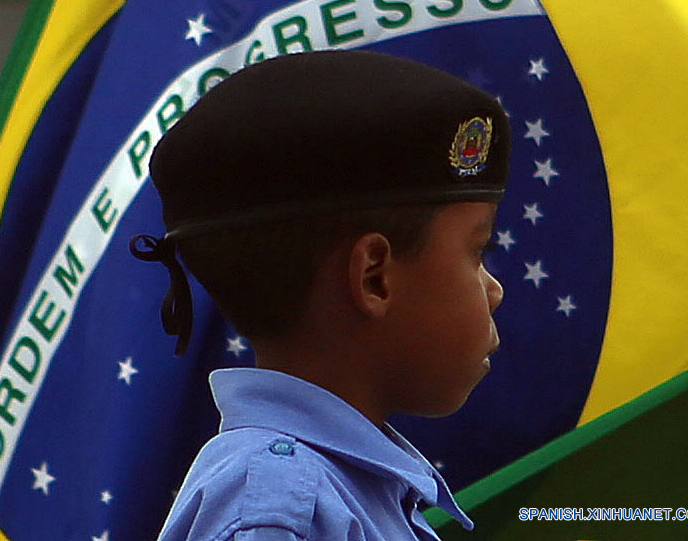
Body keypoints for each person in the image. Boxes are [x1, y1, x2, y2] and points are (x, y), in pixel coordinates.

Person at [131, 49, 510, 541]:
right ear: (374, 277)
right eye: (477, 252)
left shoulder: (337, 492)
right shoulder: (283, 511)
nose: (494, 289)